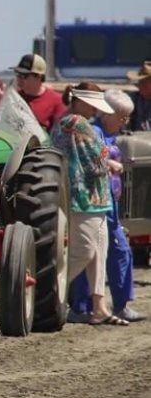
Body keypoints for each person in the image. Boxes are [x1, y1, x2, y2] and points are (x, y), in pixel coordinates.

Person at [51, 83, 128, 326]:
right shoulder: (77, 122)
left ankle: (99, 307)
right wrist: (113, 164)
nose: (96, 112)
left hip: (94, 199)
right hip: (85, 198)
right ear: (82, 102)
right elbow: (97, 159)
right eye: (93, 106)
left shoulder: (68, 121)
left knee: (97, 253)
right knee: (84, 251)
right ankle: (50, 291)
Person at [67, 88, 142, 322]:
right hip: (94, 201)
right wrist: (111, 164)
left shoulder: (99, 131)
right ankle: (81, 305)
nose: (125, 121)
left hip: (106, 202)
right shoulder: (90, 129)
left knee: (102, 254)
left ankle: (98, 306)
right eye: (122, 116)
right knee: (99, 252)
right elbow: (92, 161)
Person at [0, 53, 64, 130]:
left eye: (24, 75)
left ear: (38, 77)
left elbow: (59, 134)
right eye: (18, 74)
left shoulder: (56, 101)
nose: (19, 78)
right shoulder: (12, 98)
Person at [129, 60, 151, 132]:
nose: (140, 85)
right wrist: (124, 121)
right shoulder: (133, 98)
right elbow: (124, 116)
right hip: (136, 139)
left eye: (144, 82)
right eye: (140, 82)